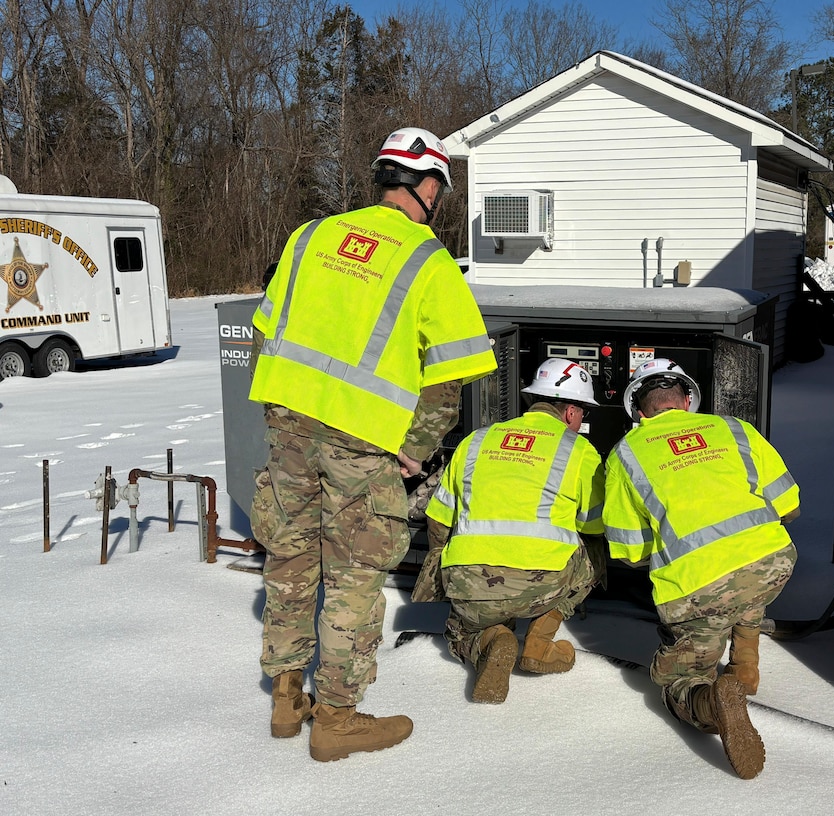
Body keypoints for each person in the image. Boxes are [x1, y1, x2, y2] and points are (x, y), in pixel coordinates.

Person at [248, 127, 497, 762]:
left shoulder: (309, 236)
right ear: (430, 187)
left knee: (291, 554)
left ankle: (285, 698)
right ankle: (336, 716)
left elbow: (268, 328)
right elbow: (451, 379)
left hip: (288, 425)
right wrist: (414, 449)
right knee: (355, 574)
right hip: (363, 441)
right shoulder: (427, 261)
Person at [602, 359, 799, 779]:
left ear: (638, 412)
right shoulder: (735, 428)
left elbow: (628, 552)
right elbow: (791, 505)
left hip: (699, 589)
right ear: (689, 401)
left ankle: (710, 700)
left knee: (680, 677)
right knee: (746, 590)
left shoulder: (625, 455)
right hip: (774, 562)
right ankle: (745, 668)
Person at [421, 358, 606, 704]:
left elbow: (438, 521)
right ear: (570, 413)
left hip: (470, 584)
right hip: (543, 586)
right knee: (592, 551)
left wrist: (448, 573)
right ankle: (540, 638)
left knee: (463, 630)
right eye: (583, 414)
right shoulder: (579, 450)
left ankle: (488, 641)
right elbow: (594, 525)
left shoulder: (476, 441)